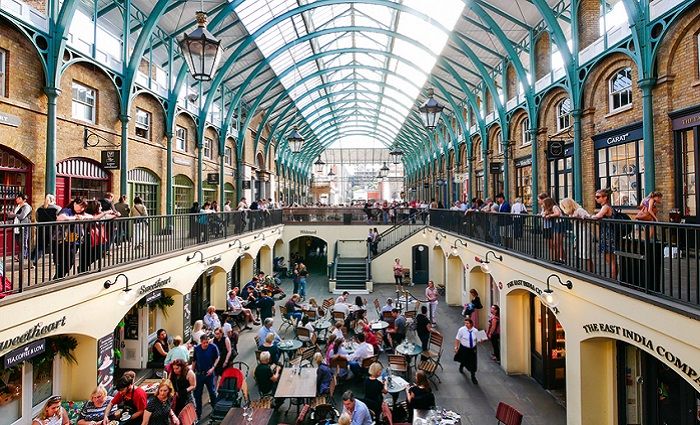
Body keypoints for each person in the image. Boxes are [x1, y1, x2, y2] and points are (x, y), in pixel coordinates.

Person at [54, 197, 90, 278]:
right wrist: (75, 218)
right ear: (74, 203)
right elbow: (60, 218)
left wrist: (83, 217)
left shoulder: (81, 213)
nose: (82, 209)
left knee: (69, 263)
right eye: (80, 206)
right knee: (65, 264)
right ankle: (56, 280)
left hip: (74, 241)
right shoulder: (67, 210)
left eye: (83, 207)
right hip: (63, 241)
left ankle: (57, 279)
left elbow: (92, 217)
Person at [560, 198, 593, 272]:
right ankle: (581, 269)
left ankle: (590, 272)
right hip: (577, 234)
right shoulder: (571, 212)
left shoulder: (579, 210)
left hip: (584, 233)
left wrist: (580, 218)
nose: (564, 209)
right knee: (579, 253)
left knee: (586, 254)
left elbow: (588, 217)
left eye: (564, 207)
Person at [590, 188, 618, 279]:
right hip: (606, 235)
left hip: (608, 236)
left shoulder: (606, 207)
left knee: (611, 259)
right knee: (608, 259)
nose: (596, 199)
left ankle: (613, 279)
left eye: (598, 197)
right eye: (595, 197)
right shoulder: (606, 206)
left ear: (605, 197)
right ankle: (612, 277)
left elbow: (598, 216)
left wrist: (589, 216)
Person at [192, 334, 220, 419]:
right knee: (197, 394)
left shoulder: (213, 347)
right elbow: (194, 361)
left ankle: (215, 410)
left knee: (212, 392)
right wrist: (192, 372)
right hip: (199, 374)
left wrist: (213, 368)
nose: (206, 344)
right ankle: (198, 413)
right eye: (204, 343)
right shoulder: (197, 349)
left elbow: (217, 357)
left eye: (207, 342)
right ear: (201, 342)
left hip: (209, 374)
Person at [31, 194, 61, 267]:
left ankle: (33, 260)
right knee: (55, 246)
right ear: (53, 200)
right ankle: (56, 262)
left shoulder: (39, 209)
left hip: (41, 229)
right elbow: (59, 219)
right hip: (53, 230)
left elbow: (37, 219)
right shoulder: (57, 208)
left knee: (40, 246)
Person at [454, 318, 480, 384]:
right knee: (464, 359)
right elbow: (457, 339)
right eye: (465, 323)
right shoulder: (461, 330)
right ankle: (462, 365)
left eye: (467, 323)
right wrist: (456, 347)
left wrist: (481, 340)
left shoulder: (475, 331)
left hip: (472, 349)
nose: (466, 325)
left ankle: (473, 376)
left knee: (473, 362)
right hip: (464, 348)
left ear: (471, 324)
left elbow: (479, 339)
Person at [8, 193, 32, 263]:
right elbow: (10, 215)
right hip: (16, 225)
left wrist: (14, 214)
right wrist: (12, 214)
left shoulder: (26, 207)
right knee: (18, 242)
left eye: (18, 198)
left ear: (23, 199)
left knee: (23, 241)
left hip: (24, 226)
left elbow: (22, 216)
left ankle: (22, 256)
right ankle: (26, 256)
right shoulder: (17, 206)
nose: (17, 199)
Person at [542, 197, 565, 263]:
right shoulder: (549, 209)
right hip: (556, 224)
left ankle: (561, 258)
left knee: (558, 243)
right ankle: (559, 258)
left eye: (544, 203)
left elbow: (557, 213)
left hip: (559, 224)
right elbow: (543, 214)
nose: (543, 205)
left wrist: (550, 216)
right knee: (556, 243)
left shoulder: (554, 207)